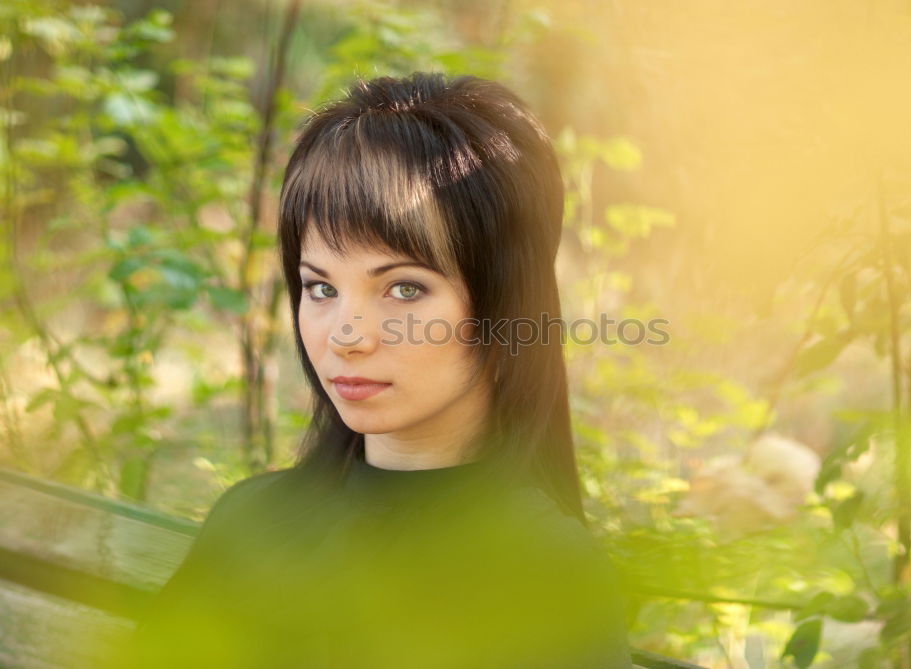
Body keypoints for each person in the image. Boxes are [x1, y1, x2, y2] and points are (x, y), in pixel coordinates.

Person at [114, 71, 634, 669]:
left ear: (506, 303)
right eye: (320, 287)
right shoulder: (253, 520)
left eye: (405, 289)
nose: (347, 336)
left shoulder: (542, 570)